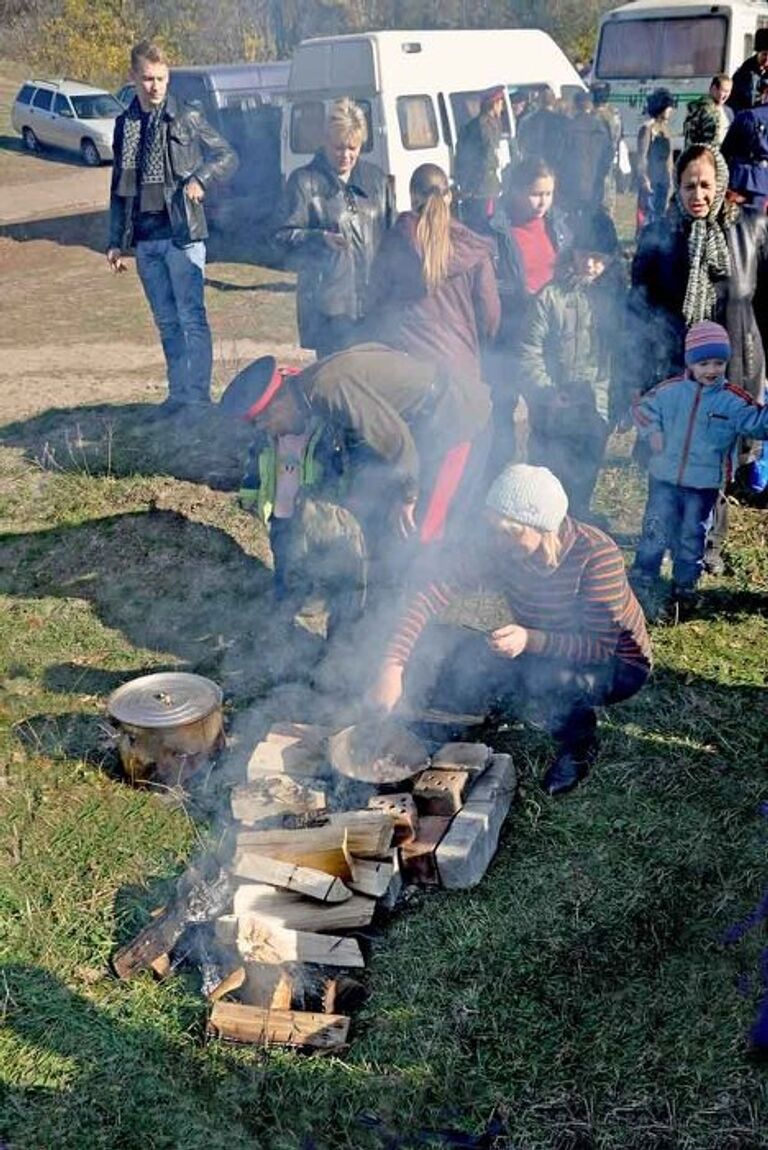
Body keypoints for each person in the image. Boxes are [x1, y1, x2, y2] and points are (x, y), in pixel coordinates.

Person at [368, 464, 652, 797]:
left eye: (511, 531)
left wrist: (531, 639)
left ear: (544, 526)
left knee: (547, 681)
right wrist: (393, 665)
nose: (499, 541)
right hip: (539, 641)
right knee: (469, 653)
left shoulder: (597, 556)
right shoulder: (501, 548)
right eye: (494, 529)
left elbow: (599, 648)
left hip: (616, 665)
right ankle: (466, 719)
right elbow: (431, 592)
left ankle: (579, 745)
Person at [627, 141, 768, 571]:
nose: (698, 195)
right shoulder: (659, 236)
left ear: (721, 184)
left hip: (735, 369)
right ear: (677, 186)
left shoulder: (753, 229)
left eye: (706, 185)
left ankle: (708, 546)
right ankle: (657, 545)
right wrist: (634, 378)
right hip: (673, 371)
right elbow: (635, 310)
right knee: (669, 459)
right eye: (689, 185)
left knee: (717, 461)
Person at [224, 343, 491, 554]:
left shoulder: (328, 389)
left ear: (277, 404)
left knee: (422, 531)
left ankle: (412, 609)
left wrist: (407, 497)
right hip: (429, 423)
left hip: (456, 421)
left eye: (268, 425)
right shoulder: (312, 384)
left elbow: (397, 442)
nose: (274, 433)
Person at [107, 40, 238, 415]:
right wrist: (115, 240)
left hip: (182, 236)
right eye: (147, 78)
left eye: (161, 78)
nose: (155, 86)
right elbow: (118, 185)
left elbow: (227, 155)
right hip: (145, 239)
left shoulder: (187, 116)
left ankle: (198, 397)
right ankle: (178, 394)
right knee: (166, 323)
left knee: (192, 318)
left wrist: (201, 178)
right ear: (133, 77)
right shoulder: (125, 125)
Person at [630, 321, 768, 610]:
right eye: (703, 362)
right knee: (655, 528)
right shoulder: (669, 391)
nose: (712, 370)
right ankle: (643, 574)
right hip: (664, 478)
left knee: (692, 534)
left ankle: (685, 583)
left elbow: (757, 424)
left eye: (719, 362)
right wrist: (653, 432)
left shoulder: (732, 400)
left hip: (703, 485)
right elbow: (642, 409)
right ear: (690, 363)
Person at [517, 210, 626, 520]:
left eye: (598, 257)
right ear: (572, 252)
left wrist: (618, 402)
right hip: (552, 410)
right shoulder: (550, 297)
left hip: (597, 408)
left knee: (584, 476)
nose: (590, 264)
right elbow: (529, 350)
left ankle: (576, 523)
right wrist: (547, 392)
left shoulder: (617, 301)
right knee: (547, 480)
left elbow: (623, 356)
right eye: (584, 255)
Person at [273, 98, 393, 358]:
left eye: (353, 148)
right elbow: (281, 238)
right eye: (339, 147)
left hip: (373, 304)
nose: (346, 155)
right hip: (328, 308)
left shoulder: (376, 181)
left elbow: (392, 237)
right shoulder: (304, 182)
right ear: (325, 141)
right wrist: (319, 239)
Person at [366, 163, 500, 385]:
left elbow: (375, 300)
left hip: (407, 367)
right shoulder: (473, 249)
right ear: (448, 196)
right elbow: (489, 316)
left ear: (412, 197)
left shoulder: (395, 242)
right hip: (460, 368)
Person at [487, 157, 570, 469]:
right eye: (536, 194)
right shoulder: (497, 231)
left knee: (545, 412)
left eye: (548, 194)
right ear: (518, 190)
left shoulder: (558, 227)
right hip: (509, 335)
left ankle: (541, 483)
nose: (542, 203)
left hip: (546, 337)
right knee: (501, 414)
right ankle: (497, 480)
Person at [555, 89, 613, 221]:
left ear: (575, 105)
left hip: (572, 182)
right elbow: (608, 155)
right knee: (591, 219)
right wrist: (601, 175)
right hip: (595, 183)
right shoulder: (600, 127)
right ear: (590, 105)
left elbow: (559, 156)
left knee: (572, 220)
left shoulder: (567, 127)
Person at [454, 85, 506, 233]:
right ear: (495, 103)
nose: (501, 108)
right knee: (486, 225)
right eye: (501, 103)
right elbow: (488, 157)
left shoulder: (472, 125)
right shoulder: (487, 126)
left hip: (473, 186)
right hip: (485, 185)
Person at [722, 75, 768, 210]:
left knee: (736, 226)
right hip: (764, 184)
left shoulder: (747, 116)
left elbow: (726, 150)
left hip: (741, 182)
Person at [636, 88, 675, 230]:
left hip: (664, 179)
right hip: (652, 179)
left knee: (662, 215)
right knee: (649, 216)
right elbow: (642, 156)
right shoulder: (647, 128)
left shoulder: (666, 129)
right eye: (668, 107)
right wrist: (644, 178)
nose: (670, 111)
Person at [728, 29, 768, 113]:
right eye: (764, 54)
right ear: (758, 52)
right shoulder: (744, 73)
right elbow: (736, 100)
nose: (767, 59)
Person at [709, 73, 734, 143]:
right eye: (724, 91)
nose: (726, 95)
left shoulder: (729, 111)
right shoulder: (700, 109)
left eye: (728, 92)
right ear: (714, 89)